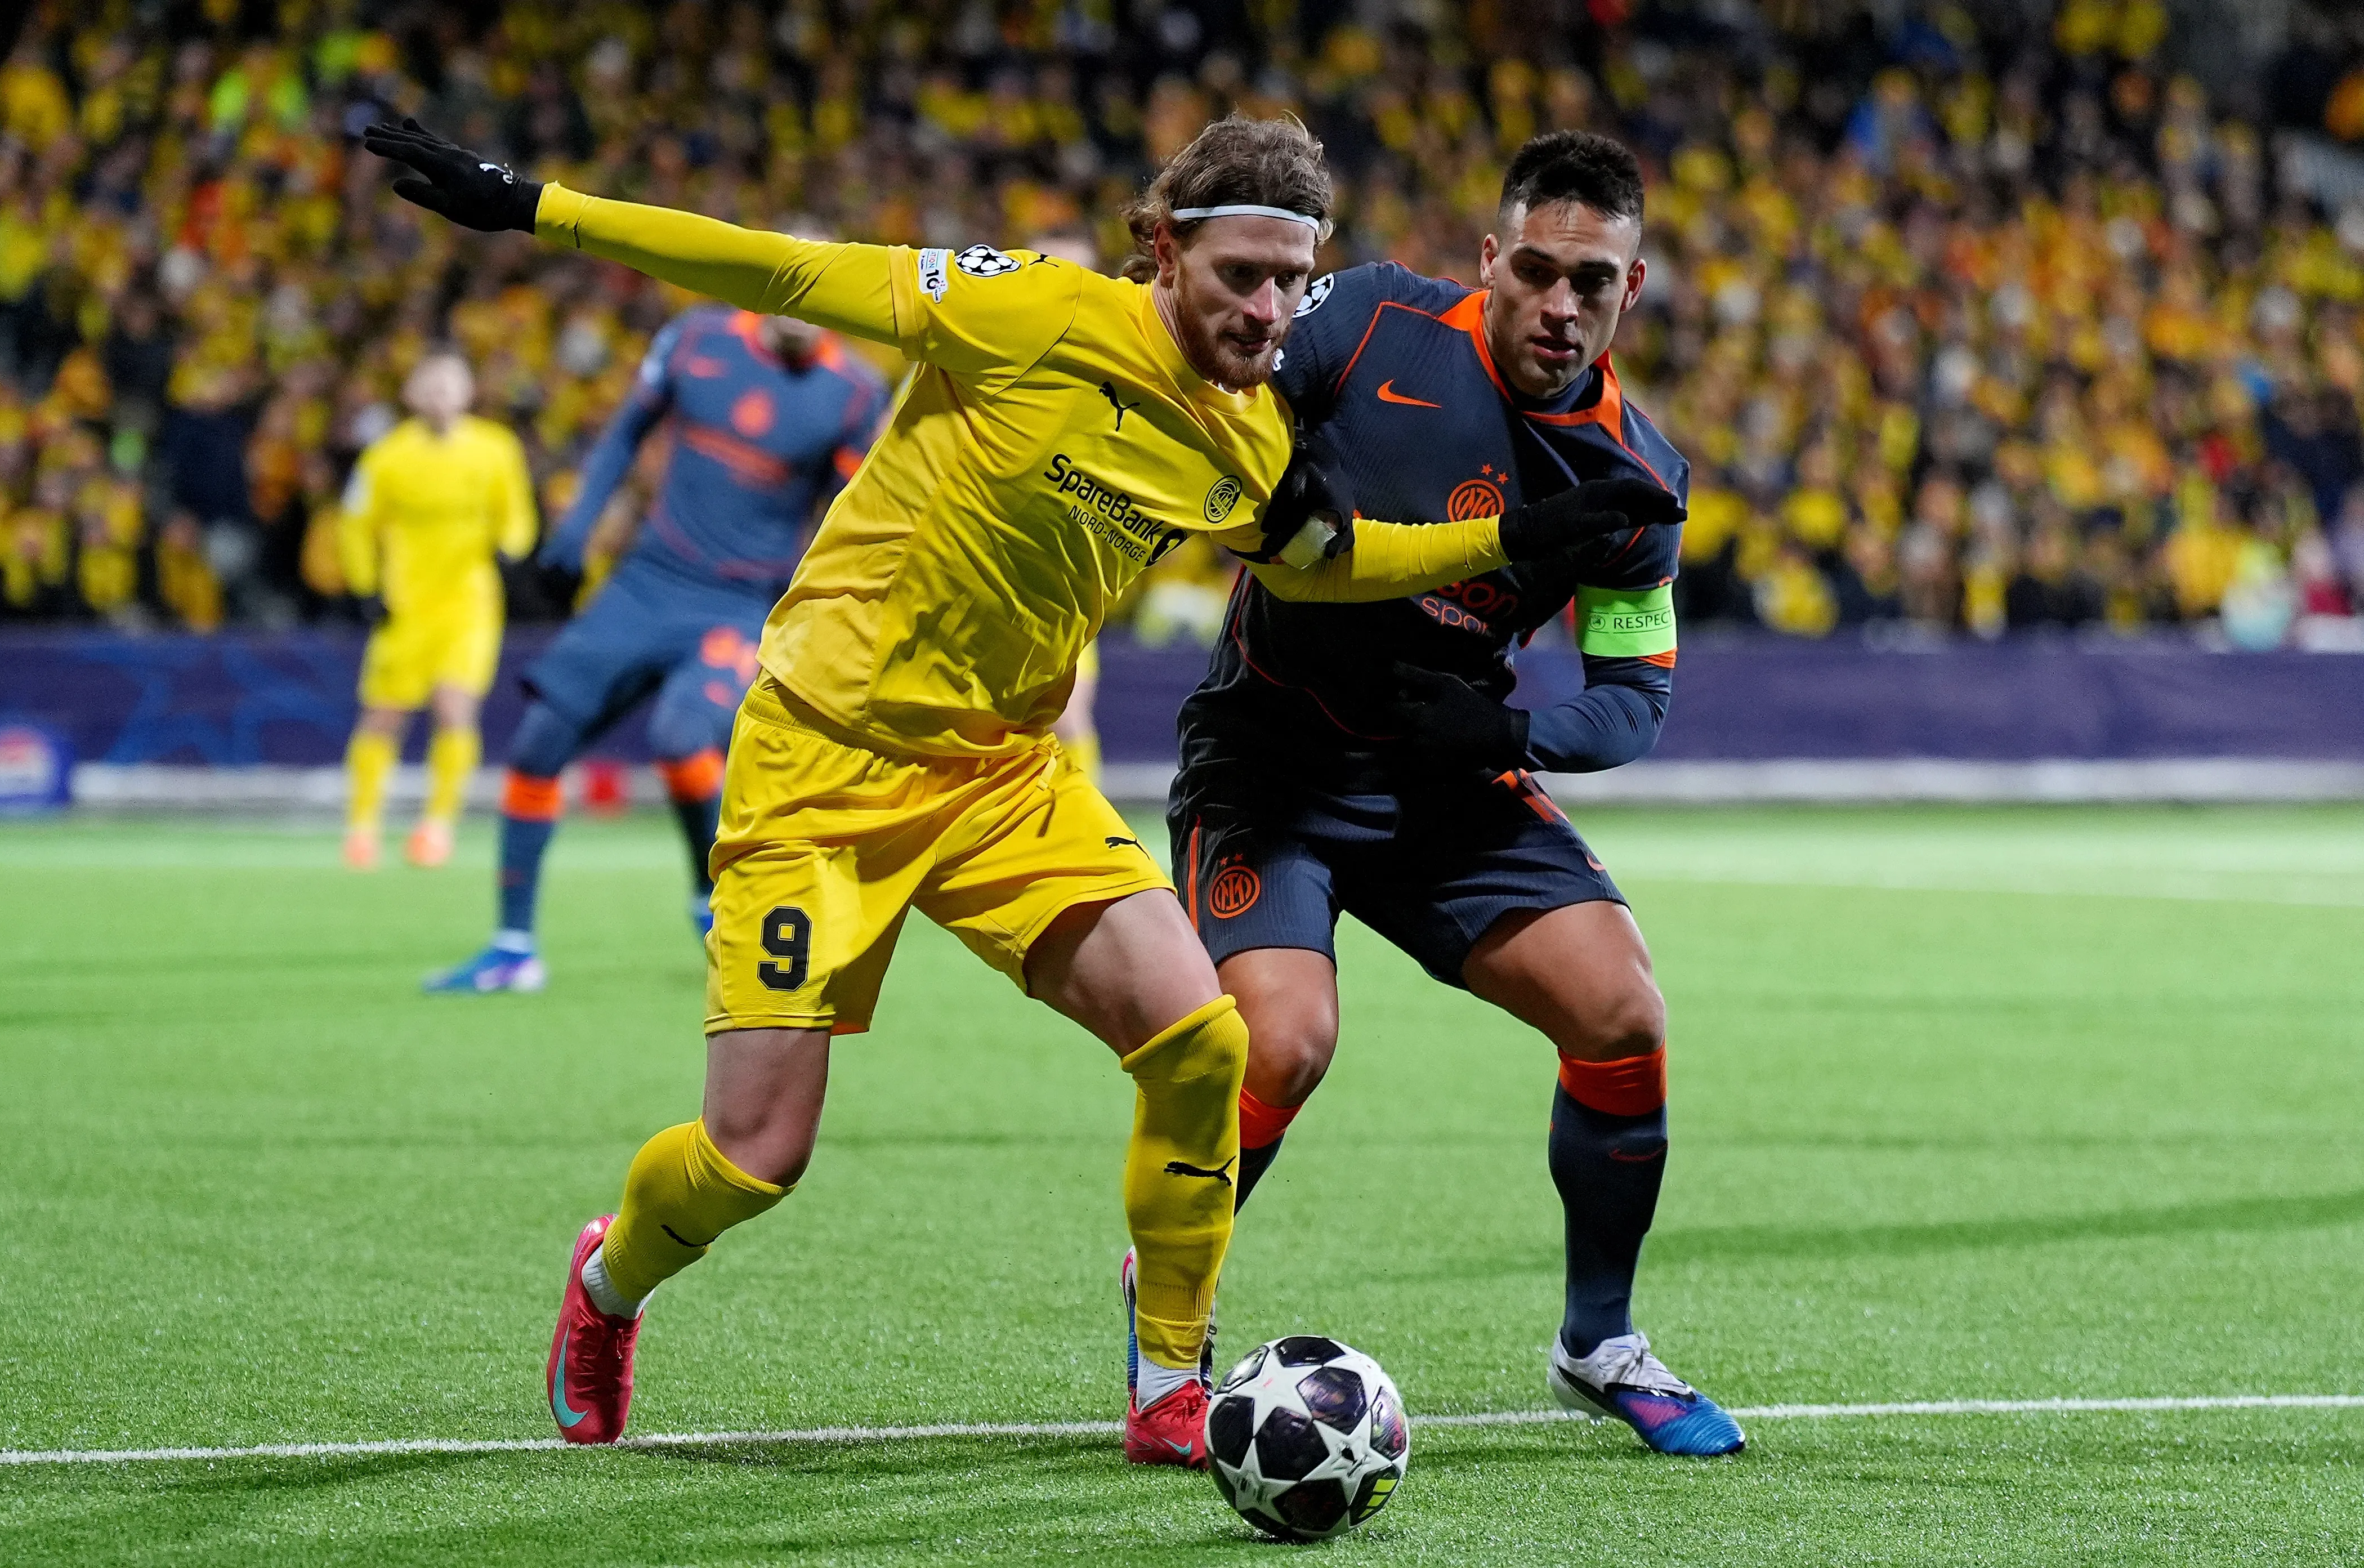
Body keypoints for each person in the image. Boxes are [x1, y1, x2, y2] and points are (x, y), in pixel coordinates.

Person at [365, 112, 1671, 1466]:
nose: (1267, 312)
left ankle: (1168, 1382)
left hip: (1000, 774)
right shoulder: (1027, 309)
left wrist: (1511, 536)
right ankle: (608, 1280)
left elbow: (1326, 559)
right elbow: (781, 269)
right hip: (822, 761)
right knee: (754, 1153)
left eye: (1291, 281)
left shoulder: (1242, 438)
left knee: (1202, 1040)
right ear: (1162, 250)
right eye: (1239, 276)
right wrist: (536, 205)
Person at [1164, 130, 1743, 1456]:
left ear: (1631, 288)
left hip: (1442, 780)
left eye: (1588, 282)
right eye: (1534, 270)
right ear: (1488, 259)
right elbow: (1211, 397)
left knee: (1620, 1011)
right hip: (1270, 758)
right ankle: (1171, 1303)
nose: (1558, 305)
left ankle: (1598, 1343)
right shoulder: (1365, 321)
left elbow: (1632, 697)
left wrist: (1510, 731)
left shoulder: (1633, 479)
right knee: (1281, 1043)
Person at [422, 300, 887, 994]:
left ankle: (709, 896)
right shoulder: (697, 338)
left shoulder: (852, 390)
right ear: (773, 281)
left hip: (740, 603)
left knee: (681, 735)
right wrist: (580, 523)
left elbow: (853, 514)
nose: (807, 307)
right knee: (538, 743)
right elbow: (625, 432)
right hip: (645, 583)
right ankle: (513, 948)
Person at [338, 349, 537, 870]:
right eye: (429, 384)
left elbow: (517, 514)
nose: (439, 395)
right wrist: (365, 587)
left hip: (469, 603)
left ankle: (437, 826)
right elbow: (355, 524)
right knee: (384, 715)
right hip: (404, 605)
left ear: (468, 392)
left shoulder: (496, 449)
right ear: (411, 394)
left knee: (454, 707)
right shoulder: (385, 457)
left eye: (449, 384)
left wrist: (511, 549)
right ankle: (362, 825)